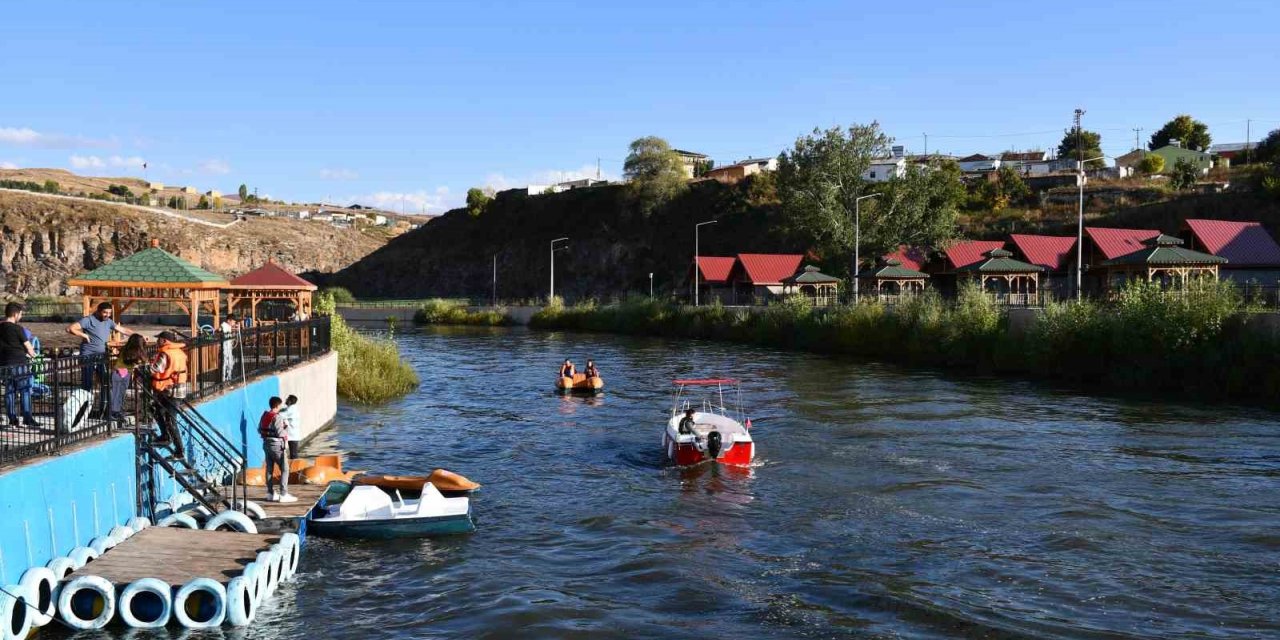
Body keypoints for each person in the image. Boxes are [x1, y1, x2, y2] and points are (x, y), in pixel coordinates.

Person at [68, 302, 135, 415]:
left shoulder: (108, 322)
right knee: (87, 383)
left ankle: (104, 409)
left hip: (101, 355)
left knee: (105, 381)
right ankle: (83, 410)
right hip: (88, 355)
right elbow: (70, 328)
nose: (107, 315)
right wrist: (84, 335)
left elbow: (123, 330)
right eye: (105, 312)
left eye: (109, 313)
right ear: (99, 311)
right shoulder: (88, 320)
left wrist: (137, 336)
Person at [145, 331, 187, 457]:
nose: (157, 342)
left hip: (169, 389)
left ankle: (179, 450)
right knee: (157, 409)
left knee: (170, 420)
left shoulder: (165, 353)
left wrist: (143, 367)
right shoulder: (179, 352)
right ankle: (164, 436)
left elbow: (156, 369)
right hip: (179, 388)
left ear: (164, 341)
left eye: (159, 340)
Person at [0, 302, 38, 428]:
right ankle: (27, 418)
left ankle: (12, 419)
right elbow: (29, 348)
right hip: (19, 363)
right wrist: (33, 354)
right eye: (20, 314)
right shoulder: (18, 328)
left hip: (4, 363)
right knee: (25, 390)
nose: (20, 317)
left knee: (9, 391)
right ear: (15, 314)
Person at [259, 396, 296, 503]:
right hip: (277, 446)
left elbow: (259, 429)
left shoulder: (264, 415)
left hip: (266, 444)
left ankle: (270, 493)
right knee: (285, 469)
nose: (281, 406)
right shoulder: (277, 417)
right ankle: (283, 494)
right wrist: (285, 426)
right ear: (276, 405)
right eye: (280, 405)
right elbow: (280, 433)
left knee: (269, 469)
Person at [109, 334, 147, 424]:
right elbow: (142, 360)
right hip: (122, 372)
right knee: (117, 393)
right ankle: (115, 412)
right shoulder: (134, 352)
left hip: (122, 371)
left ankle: (117, 411)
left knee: (119, 393)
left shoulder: (126, 349)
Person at [219, 314, 239, 383]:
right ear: (229, 321)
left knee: (230, 363)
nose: (234, 323)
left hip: (229, 349)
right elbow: (221, 329)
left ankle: (229, 378)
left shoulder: (229, 327)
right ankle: (223, 380)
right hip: (225, 349)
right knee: (225, 364)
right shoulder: (224, 325)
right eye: (233, 322)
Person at [281, 395, 301, 459]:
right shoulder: (292, 408)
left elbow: (280, 415)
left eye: (287, 399)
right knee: (293, 453)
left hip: (292, 435)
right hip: (293, 434)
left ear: (290, 401)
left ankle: (295, 468)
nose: (286, 400)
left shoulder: (290, 409)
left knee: (293, 454)